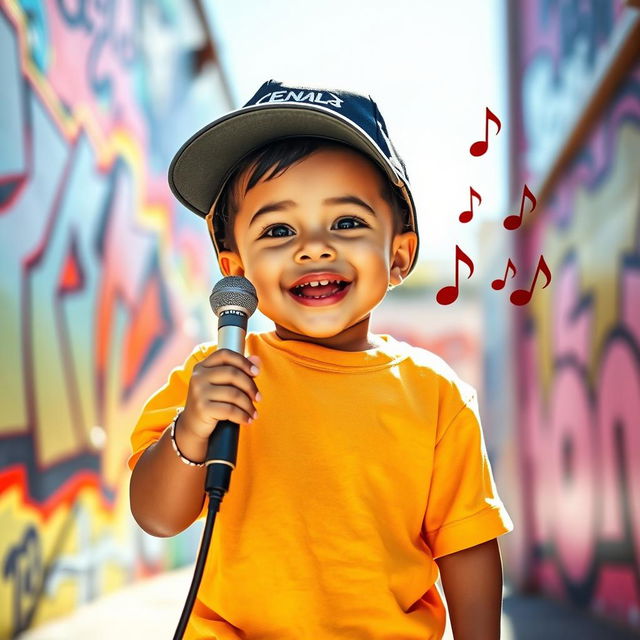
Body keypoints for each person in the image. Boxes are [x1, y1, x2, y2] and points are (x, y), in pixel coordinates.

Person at [128, 79, 514, 639]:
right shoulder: (216, 375)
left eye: (348, 222)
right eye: (278, 229)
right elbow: (157, 516)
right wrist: (192, 428)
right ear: (235, 269)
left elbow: (468, 548)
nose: (313, 246)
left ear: (399, 253)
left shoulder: (436, 395)